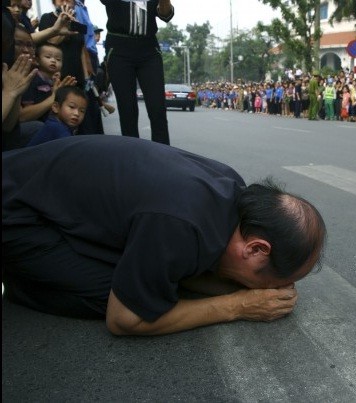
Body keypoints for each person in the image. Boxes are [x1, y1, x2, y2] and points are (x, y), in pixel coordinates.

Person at [2, 135, 327, 336]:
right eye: (277, 282)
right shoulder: (181, 223)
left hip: (36, 184)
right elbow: (124, 320)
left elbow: (194, 267)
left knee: (152, 279)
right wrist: (238, 305)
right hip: (16, 211)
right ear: (256, 249)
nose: (281, 289)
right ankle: (20, 281)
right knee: (124, 295)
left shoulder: (230, 190)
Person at [101, 0, 174, 144]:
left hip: (148, 49)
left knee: (157, 108)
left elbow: (166, 15)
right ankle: (132, 155)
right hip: (119, 48)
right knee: (127, 108)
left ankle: (163, 155)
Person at [19, 42, 77, 123]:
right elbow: (27, 110)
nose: (53, 61)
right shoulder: (32, 79)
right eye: (48, 57)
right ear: (36, 60)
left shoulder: (55, 82)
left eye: (58, 59)